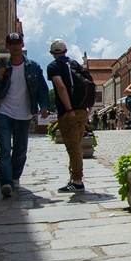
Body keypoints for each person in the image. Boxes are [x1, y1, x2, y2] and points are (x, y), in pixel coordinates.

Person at [0, 33, 50, 197]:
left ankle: (14, 177)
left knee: (20, 150)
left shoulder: (33, 66)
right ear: (7, 46)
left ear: (22, 44)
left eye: (17, 43)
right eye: (11, 43)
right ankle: (6, 183)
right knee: (5, 149)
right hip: (3, 112)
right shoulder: (0, 66)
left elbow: (42, 88)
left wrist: (44, 106)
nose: (14, 46)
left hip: (24, 114)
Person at [47, 39, 89, 193]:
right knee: (77, 145)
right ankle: (74, 178)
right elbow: (88, 84)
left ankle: (77, 181)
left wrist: (68, 110)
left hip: (69, 112)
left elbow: (61, 86)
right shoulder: (75, 64)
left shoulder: (53, 66)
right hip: (82, 110)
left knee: (73, 148)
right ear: (65, 51)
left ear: (52, 53)